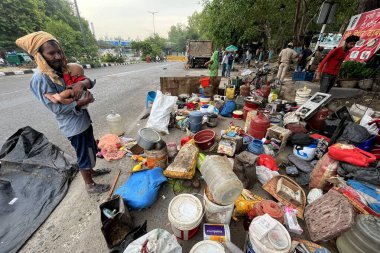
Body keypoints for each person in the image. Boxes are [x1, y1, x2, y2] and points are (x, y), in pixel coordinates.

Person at [16, 31, 110, 194]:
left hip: (83, 120)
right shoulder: (40, 79)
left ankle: (91, 171)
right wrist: (81, 102)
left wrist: (83, 84)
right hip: (73, 126)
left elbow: (85, 80)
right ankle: (90, 185)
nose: (58, 56)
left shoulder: (60, 70)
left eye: (59, 51)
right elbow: (56, 108)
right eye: (51, 53)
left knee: (90, 148)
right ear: (39, 56)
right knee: (83, 153)